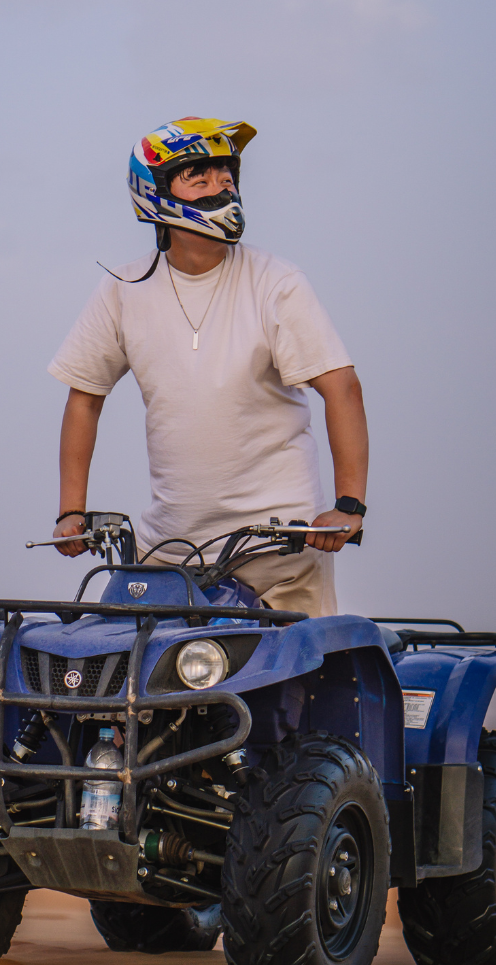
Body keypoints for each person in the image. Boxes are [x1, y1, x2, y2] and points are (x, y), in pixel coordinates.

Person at [46, 116, 367, 617]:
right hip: (168, 551)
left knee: (295, 690)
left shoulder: (277, 283)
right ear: (153, 194)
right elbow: (84, 397)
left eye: (227, 176)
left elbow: (342, 387)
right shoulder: (122, 291)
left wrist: (349, 506)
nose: (222, 188)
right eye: (200, 178)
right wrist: (71, 510)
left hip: (277, 548)